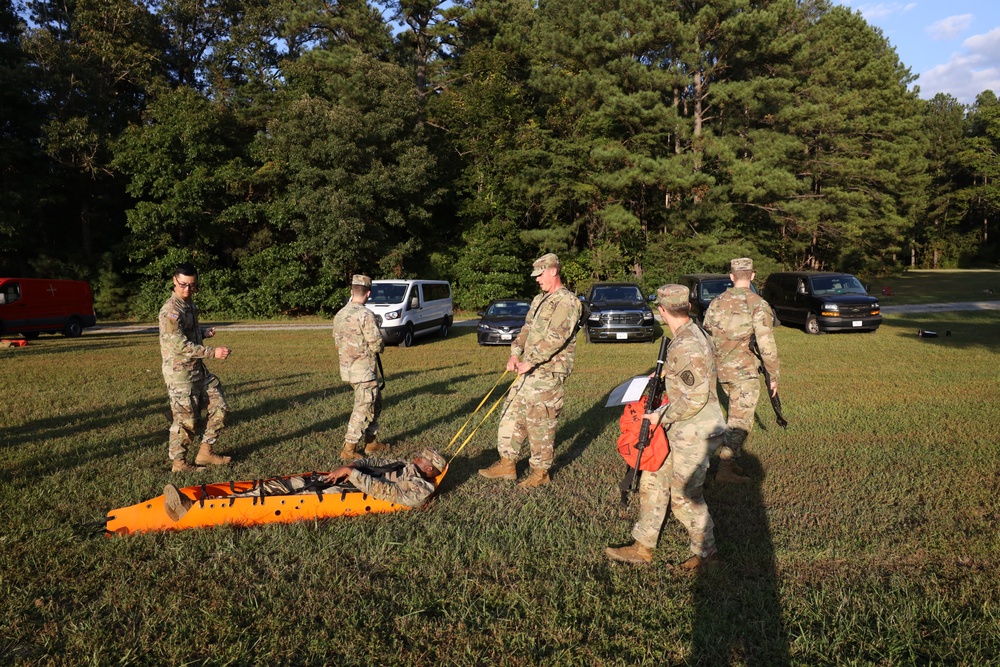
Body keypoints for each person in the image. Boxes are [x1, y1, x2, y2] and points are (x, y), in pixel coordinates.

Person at [606, 284, 726, 569]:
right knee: (652, 482)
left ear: (661, 310)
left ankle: (707, 555)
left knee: (685, 497)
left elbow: (694, 398)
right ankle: (642, 546)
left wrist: (660, 415)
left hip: (693, 432)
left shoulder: (687, 343)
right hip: (679, 428)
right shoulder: (689, 334)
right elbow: (688, 378)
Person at [479, 253, 583, 488]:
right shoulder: (539, 300)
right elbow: (526, 328)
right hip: (528, 370)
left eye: (540, 274)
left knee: (540, 423)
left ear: (553, 271)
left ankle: (540, 472)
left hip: (548, 372)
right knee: (510, 415)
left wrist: (532, 359)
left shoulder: (567, 302)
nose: (537, 279)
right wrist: (515, 352)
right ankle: (507, 463)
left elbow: (557, 337)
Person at [162, 449, 447, 521]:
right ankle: (208, 500)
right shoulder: (402, 464)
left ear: (430, 468)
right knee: (280, 485)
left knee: (283, 498)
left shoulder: (422, 487)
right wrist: (351, 467)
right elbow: (374, 459)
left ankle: (197, 509)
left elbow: (396, 496)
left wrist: (353, 474)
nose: (416, 457)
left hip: (351, 492)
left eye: (422, 458)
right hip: (347, 479)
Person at [702, 257, 781, 483]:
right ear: (753, 275)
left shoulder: (716, 302)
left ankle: (731, 463)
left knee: (735, 415)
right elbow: (766, 345)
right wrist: (773, 376)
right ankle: (724, 469)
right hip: (744, 373)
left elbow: (708, 334)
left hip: (721, 372)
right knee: (740, 422)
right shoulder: (757, 304)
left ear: (731, 276)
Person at [159, 263, 233, 473]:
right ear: (174, 281)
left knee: (219, 407)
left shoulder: (188, 304)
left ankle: (205, 453)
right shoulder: (171, 311)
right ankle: (179, 464)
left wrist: (203, 332)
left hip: (198, 370)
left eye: (192, 286)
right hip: (181, 374)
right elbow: (179, 344)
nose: (187, 290)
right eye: (183, 285)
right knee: (186, 422)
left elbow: (188, 333)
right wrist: (213, 352)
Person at [332, 274, 386, 462]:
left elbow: (337, 341)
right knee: (363, 408)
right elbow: (376, 344)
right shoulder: (366, 315)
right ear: (368, 293)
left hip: (349, 370)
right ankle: (349, 448)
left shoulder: (340, 314)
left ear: (351, 291)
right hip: (364, 371)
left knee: (375, 402)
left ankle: (371, 442)